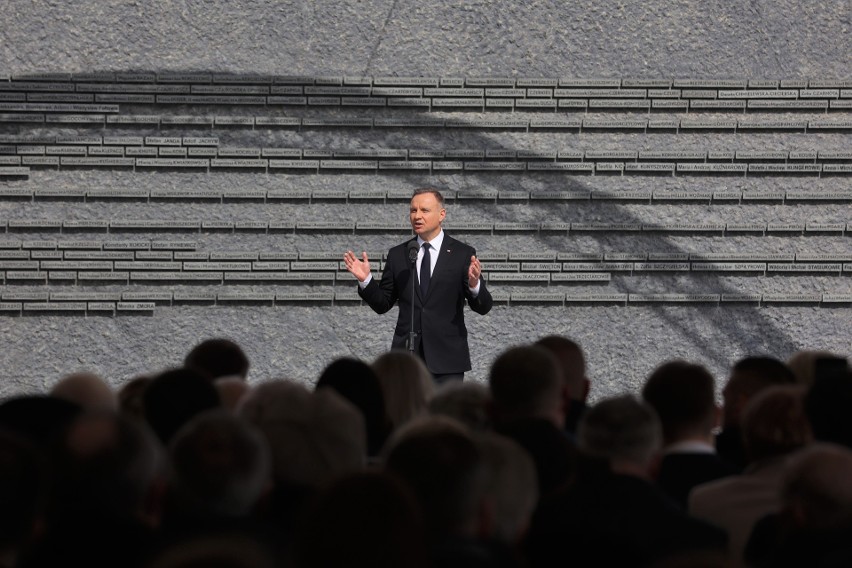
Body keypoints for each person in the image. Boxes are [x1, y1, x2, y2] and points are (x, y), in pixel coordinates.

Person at [344, 187, 493, 382]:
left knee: (443, 413)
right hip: (407, 359)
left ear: (441, 215)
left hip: (447, 360)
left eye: (424, 210)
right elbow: (383, 304)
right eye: (413, 210)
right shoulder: (399, 254)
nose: (417, 216)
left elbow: (484, 307)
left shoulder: (462, 253)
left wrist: (474, 285)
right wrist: (366, 280)